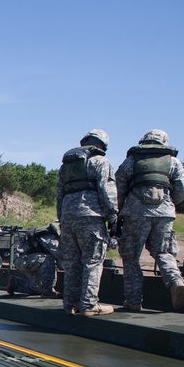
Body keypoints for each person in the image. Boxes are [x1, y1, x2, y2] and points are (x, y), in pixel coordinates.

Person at [114, 130, 184, 311]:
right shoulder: (173, 162)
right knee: (164, 252)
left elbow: (118, 188)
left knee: (131, 257)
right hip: (164, 213)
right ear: (163, 142)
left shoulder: (131, 161)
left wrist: (117, 212)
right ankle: (175, 282)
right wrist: (169, 203)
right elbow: (182, 189)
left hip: (135, 213)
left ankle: (133, 301)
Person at [57, 129, 118, 316]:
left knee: (72, 263)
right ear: (101, 145)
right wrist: (113, 217)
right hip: (91, 217)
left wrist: (62, 219)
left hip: (67, 218)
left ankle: (70, 304)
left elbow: (59, 195)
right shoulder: (100, 162)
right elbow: (106, 192)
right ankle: (89, 305)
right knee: (93, 261)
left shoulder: (65, 167)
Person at [7, 223, 61, 298]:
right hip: (24, 259)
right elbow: (59, 254)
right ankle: (48, 291)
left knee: (38, 287)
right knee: (48, 259)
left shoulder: (52, 233)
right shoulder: (48, 235)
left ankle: (15, 283)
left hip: (30, 260)